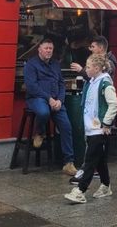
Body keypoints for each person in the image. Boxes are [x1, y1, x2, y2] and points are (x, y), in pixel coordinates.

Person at [64, 54, 117, 203]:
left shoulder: (105, 83)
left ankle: (80, 190)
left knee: (89, 160)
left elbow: (114, 104)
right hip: (91, 127)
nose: (86, 69)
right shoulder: (93, 81)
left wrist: (106, 123)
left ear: (96, 68)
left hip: (100, 129)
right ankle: (106, 186)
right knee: (99, 159)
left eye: (88, 67)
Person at [23, 38, 77, 175]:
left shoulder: (55, 64)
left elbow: (61, 83)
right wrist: (48, 98)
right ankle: (39, 132)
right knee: (43, 112)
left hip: (56, 101)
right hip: (37, 98)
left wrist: (60, 100)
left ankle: (68, 163)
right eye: (46, 48)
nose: (48, 51)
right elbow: (32, 86)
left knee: (66, 126)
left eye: (50, 49)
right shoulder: (31, 64)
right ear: (39, 49)